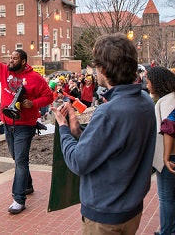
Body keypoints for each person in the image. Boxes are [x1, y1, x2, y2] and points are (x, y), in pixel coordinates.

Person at [52, 33, 156, 233]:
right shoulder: (145, 101)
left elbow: (78, 162)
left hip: (105, 216)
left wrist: (63, 128)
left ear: (104, 69)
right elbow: (115, 146)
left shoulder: (109, 112)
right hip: (132, 210)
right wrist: (78, 132)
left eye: (95, 65)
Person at [0, 31, 53, 214]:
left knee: (20, 161)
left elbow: (49, 96)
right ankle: (28, 185)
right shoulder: (3, 71)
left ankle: (18, 199)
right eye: (10, 58)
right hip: (7, 124)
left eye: (14, 59)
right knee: (18, 158)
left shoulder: (35, 78)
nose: (10, 61)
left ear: (23, 61)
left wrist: (34, 103)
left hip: (25, 126)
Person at [146, 66, 175, 235]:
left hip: (169, 157)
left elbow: (168, 131)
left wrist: (165, 158)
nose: (147, 85)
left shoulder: (166, 102)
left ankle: (166, 231)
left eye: (149, 82)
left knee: (166, 197)